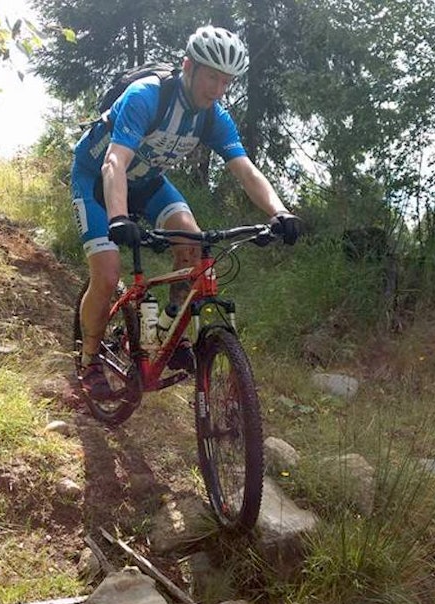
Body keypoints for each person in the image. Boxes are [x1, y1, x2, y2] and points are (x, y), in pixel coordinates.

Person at [72, 25, 302, 400]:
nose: (217, 89)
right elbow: (114, 161)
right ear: (188, 66)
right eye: (212, 76)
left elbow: (245, 170)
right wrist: (118, 216)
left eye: (226, 81)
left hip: (147, 184)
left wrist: (280, 211)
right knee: (108, 271)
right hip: (96, 181)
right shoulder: (146, 96)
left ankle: (169, 331)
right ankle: (89, 360)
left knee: (192, 242)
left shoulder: (213, 117)